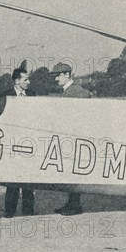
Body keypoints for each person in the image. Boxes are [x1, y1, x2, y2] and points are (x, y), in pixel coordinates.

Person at [50, 62, 91, 216]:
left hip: (75, 140)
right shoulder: (67, 91)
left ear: (67, 75)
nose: (55, 79)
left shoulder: (78, 92)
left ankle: (74, 205)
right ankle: (72, 203)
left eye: (58, 75)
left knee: (73, 173)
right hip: (68, 139)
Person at [2, 68, 37, 217]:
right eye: (25, 80)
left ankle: (28, 210)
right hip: (12, 142)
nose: (28, 82)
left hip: (29, 142)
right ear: (17, 81)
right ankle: (10, 211)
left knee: (28, 179)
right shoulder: (6, 97)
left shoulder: (33, 96)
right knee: (12, 178)